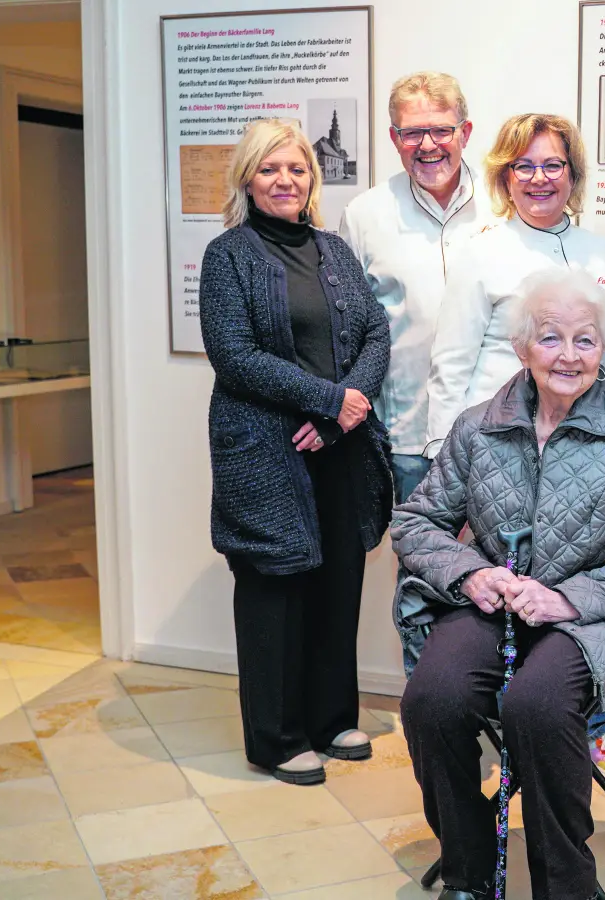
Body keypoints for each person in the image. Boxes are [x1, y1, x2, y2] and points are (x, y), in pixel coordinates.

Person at [395, 269, 605, 900]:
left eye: (585, 341)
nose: (569, 356)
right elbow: (417, 522)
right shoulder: (479, 426)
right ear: (523, 347)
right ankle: (467, 867)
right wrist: (471, 573)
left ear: (602, 352)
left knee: (535, 706)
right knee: (433, 701)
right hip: (492, 607)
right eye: (551, 338)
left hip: (588, 618)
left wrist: (567, 598)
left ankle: (566, 885)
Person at [428, 112, 605, 783]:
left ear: (573, 175)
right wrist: (452, 474)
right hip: (500, 459)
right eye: (524, 165)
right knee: (503, 604)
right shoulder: (480, 252)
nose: (539, 178)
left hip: (590, 458)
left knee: (585, 595)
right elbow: (452, 365)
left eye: (553, 165)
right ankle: (510, 741)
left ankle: (595, 734)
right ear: (505, 176)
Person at [199, 119, 393, 786]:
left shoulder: (334, 250)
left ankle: (332, 716)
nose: (286, 180)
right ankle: (278, 738)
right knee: (274, 591)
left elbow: (375, 333)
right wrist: (325, 399)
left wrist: (345, 410)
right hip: (265, 450)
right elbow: (235, 356)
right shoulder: (229, 256)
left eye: (298, 169)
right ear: (247, 180)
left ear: (313, 179)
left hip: (337, 445)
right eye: (270, 169)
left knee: (340, 581)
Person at [340, 72, 493, 508]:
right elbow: (349, 331)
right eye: (412, 133)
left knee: (507, 570)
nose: (428, 145)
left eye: (441, 130)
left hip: (502, 432)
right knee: (420, 569)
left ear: (465, 132)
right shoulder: (364, 216)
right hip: (408, 435)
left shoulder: (504, 203)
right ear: (394, 137)